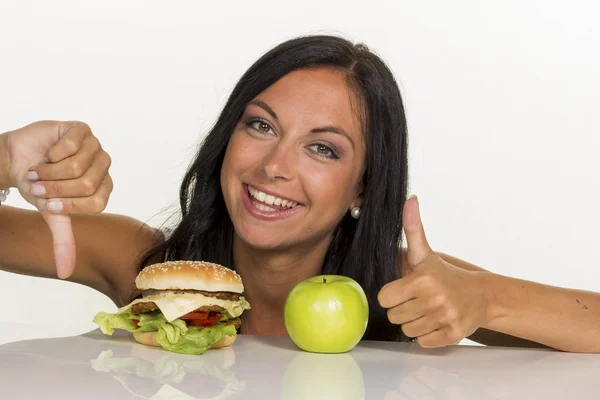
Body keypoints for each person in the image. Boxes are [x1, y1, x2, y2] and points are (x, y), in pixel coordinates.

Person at [1, 36, 598, 352]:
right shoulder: (143, 261)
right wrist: (5, 157)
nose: (274, 166)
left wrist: (484, 300)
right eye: (260, 126)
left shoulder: (402, 288)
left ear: (365, 186)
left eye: (323, 148)